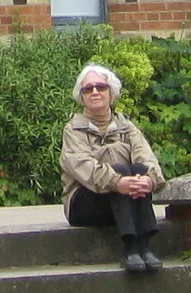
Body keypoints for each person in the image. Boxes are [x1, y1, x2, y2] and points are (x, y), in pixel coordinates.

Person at [59, 61, 168, 271]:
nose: (95, 92)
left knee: (139, 170)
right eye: (88, 89)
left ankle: (144, 246)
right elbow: (82, 166)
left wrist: (149, 179)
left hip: (124, 200)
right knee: (121, 171)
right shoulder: (73, 129)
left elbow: (147, 157)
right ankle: (131, 246)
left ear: (111, 93)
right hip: (84, 203)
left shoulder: (127, 126)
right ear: (81, 96)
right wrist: (117, 182)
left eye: (101, 87)